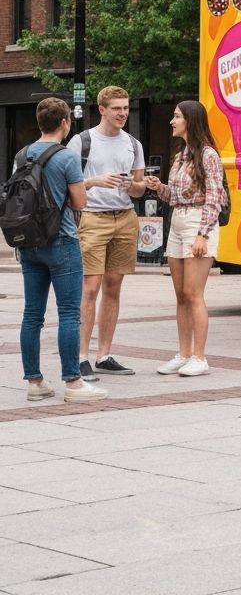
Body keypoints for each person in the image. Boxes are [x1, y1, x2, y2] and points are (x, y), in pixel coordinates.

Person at [19, 97, 107, 403]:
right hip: (62, 240)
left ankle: (34, 382)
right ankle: (73, 382)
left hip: (29, 242)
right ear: (65, 123)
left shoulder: (22, 154)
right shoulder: (66, 157)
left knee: (32, 314)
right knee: (69, 313)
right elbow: (79, 202)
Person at [66, 85, 145, 381]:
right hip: (92, 218)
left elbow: (137, 187)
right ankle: (81, 356)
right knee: (90, 289)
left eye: (125, 108)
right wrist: (95, 181)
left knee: (114, 287)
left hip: (124, 218)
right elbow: (69, 185)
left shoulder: (133, 144)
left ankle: (105, 354)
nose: (123, 113)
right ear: (102, 110)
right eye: (117, 108)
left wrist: (134, 186)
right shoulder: (82, 141)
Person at [143, 101, 223, 377]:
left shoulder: (208, 155)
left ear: (190, 120)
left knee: (193, 293)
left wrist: (203, 234)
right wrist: (160, 188)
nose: (171, 121)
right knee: (180, 295)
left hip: (197, 222)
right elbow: (176, 197)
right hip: (177, 220)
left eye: (176, 117)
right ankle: (184, 353)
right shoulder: (181, 156)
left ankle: (199, 357)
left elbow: (215, 197)